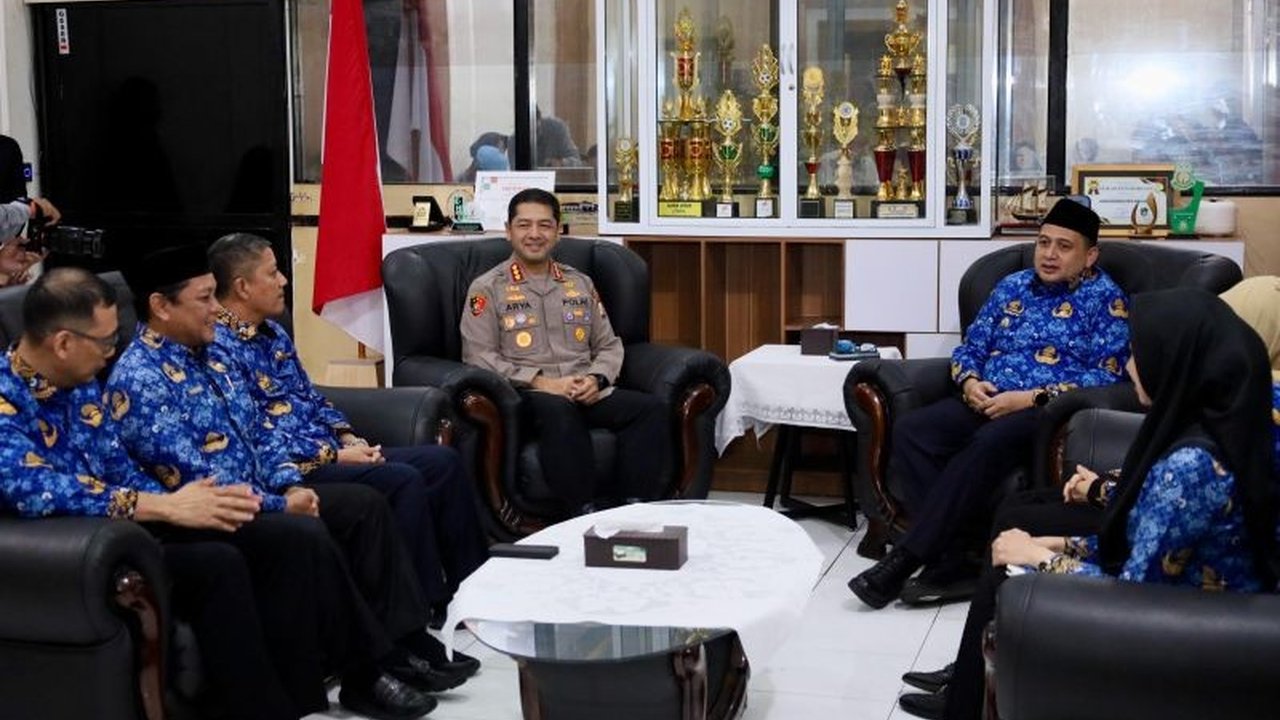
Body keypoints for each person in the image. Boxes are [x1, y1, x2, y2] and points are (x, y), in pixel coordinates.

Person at [107, 244, 463, 718]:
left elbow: (260, 433)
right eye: (204, 299)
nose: (217, 309)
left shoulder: (210, 355)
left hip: (262, 492)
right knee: (303, 533)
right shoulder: (140, 379)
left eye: (216, 296)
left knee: (363, 507)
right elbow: (200, 478)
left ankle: (401, 645)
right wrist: (280, 505)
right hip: (207, 511)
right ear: (160, 306)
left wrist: (291, 484)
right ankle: (366, 672)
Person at [900, 285, 1280, 720]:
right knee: (1016, 523)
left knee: (1011, 547)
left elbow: (1134, 596)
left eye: (1138, 354)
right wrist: (1067, 543)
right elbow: (1152, 533)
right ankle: (970, 685)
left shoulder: (1190, 468)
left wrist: (1041, 558)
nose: (1130, 367)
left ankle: (968, 697)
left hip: (1194, 629)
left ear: (1171, 361)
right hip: (1221, 598)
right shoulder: (1243, 403)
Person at [847, 198, 1130, 610]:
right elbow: (971, 348)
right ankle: (952, 558)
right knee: (915, 430)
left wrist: (1030, 398)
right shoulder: (1012, 286)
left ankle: (907, 558)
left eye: (1064, 246)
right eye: (1043, 243)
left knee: (988, 443)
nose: (1049, 254)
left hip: (1045, 413)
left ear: (1090, 255)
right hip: (987, 397)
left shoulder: (1106, 300)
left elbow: (1108, 376)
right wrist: (970, 382)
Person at [207, 232, 489, 643]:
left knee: (442, 462)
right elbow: (256, 431)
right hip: (290, 470)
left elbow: (309, 397)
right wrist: (332, 457)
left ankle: (474, 592)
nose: (285, 280)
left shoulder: (271, 333)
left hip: (331, 449)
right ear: (242, 286)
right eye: (273, 273)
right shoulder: (217, 348)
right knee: (402, 479)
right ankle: (426, 604)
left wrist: (347, 436)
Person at [460, 188, 669, 516]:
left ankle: (634, 510)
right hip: (527, 397)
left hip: (584, 389)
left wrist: (596, 379)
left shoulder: (580, 283)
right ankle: (582, 512)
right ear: (508, 230)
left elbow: (609, 344)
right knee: (560, 411)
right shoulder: (487, 288)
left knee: (649, 409)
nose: (534, 234)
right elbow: (478, 355)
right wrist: (541, 382)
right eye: (524, 225)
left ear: (558, 232)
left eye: (544, 225)